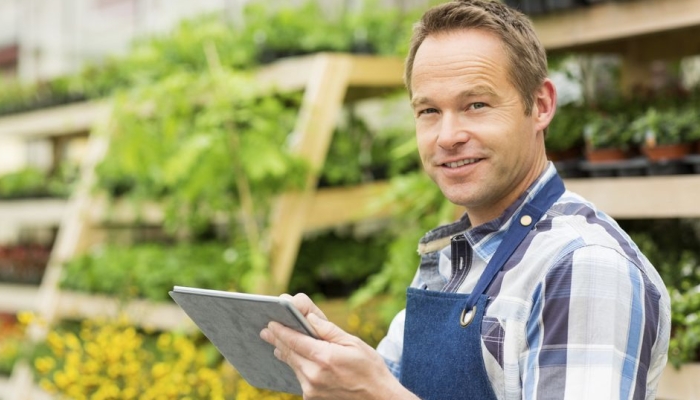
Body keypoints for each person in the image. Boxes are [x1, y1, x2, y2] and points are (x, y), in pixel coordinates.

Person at [260, 0, 671, 398]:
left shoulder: (582, 265)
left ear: (541, 105)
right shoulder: (456, 257)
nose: (447, 136)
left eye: (476, 105)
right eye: (429, 111)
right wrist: (337, 361)